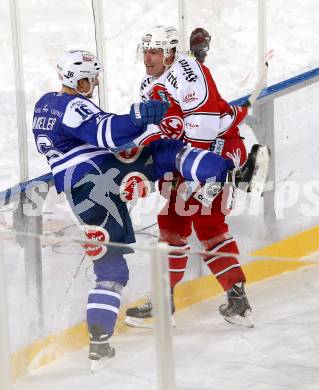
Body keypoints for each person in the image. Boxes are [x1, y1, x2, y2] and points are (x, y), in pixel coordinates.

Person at [32, 49, 266, 363]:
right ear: (76, 77)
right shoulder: (70, 104)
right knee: (168, 162)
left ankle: (99, 344)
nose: (96, 82)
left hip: (79, 193)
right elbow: (107, 132)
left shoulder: (43, 106)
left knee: (111, 269)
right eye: (91, 78)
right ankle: (233, 174)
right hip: (101, 174)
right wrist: (138, 117)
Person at [125, 26, 270, 329]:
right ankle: (238, 301)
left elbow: (202, 135)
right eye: (146, 51)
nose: (148, 57)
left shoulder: (190, 74)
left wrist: (198, 179)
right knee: (208, 227)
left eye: (155, 52)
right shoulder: (157, 78)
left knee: (180, 223)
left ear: (170, 53)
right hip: (198, 155)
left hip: (213, 154)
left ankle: (164, 305)